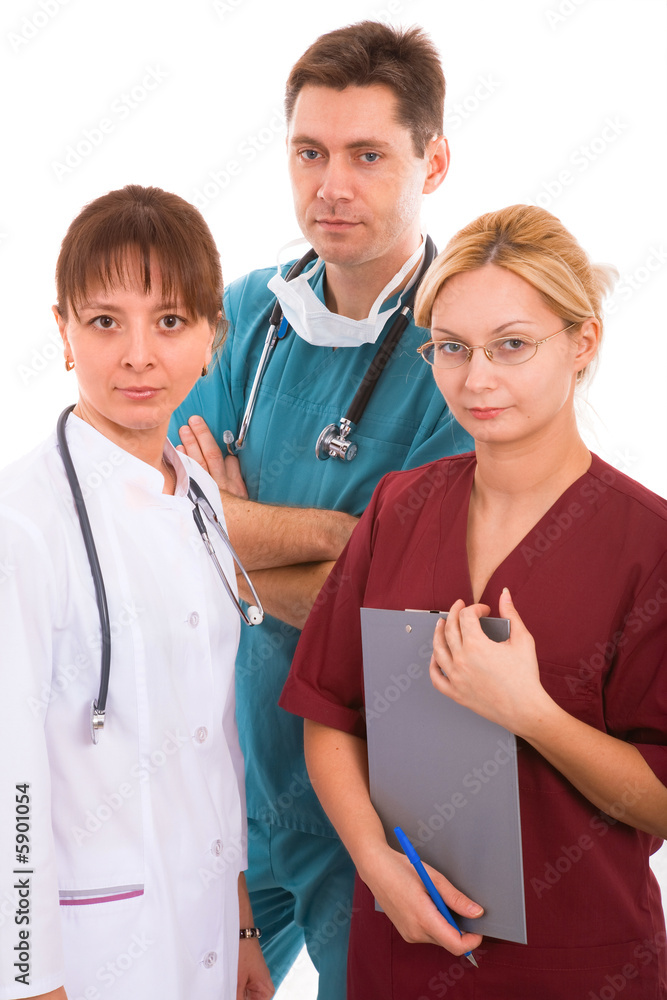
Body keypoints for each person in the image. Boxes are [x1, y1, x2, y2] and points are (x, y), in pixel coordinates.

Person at [280, 203, 667, 999]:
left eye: (511, 346)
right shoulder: (398, 508)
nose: (476, 378)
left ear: (583, 343)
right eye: (450, 348)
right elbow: (328, 715)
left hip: (576, 965)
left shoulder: (646, 544)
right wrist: (375, 864)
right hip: (401, 947)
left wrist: (528, 712)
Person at [171, 19, 473, 997]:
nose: (330, 185)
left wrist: (231, 530)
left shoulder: (462, 351)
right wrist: (340, 543)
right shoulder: (248, 312)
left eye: (366, 156)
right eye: (309, 151)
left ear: (433, 162)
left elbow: (405, 607)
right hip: (238, 781)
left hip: (391, 802)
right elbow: (160, 517)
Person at [0, 185, 273, 1000]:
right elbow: (9, 776)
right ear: (62, 333)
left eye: (171, 321)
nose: (138, 356)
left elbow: (213, 746)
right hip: (83, 957)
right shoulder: (24, 521)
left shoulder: (196, 497)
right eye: (105, 321)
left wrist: (242, 925)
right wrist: (28, 979)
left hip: (206, 942)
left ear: (211, 340)